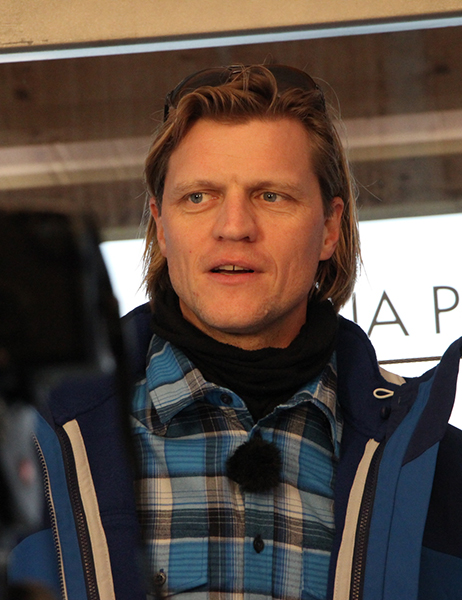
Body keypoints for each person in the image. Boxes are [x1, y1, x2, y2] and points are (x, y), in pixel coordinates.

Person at [8, 64, 462, 600]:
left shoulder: (440, 473)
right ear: (161, 225)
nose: (234, 227)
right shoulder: (27, 457)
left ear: (329, 228)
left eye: (272, 196)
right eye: (199, 197)